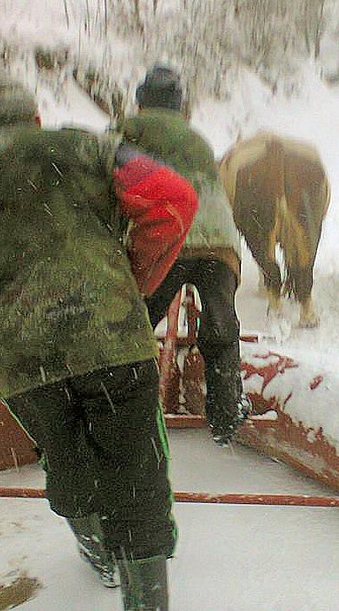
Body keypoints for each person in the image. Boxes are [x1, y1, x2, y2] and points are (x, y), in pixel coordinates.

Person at [0, 72, 198, 611]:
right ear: (34, 116)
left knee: (67, 463)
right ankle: (142, 596)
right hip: (109, 338)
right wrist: (134, 276)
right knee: (137, 478)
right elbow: (173, 199)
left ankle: (98, 555)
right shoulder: (89, 148)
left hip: (20, 358)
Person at [118, 66, 249, 446]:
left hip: (168, 236)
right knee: (221, 326)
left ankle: (129, 410)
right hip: (219, 242)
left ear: (141, 101)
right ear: (179, 104)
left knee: (138, 323)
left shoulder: (128, 132)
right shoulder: (198, 140)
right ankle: (226, 412)